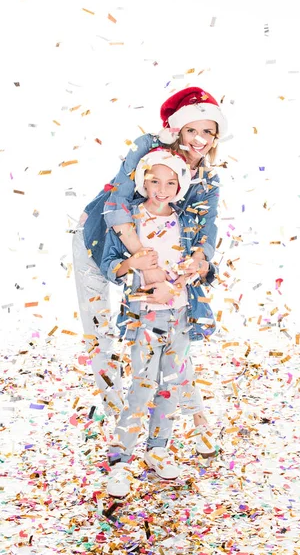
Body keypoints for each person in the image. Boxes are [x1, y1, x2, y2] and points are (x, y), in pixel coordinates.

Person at [72, 86, 228, 455]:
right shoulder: (150, 150)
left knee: (173, 335)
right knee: (101, 334)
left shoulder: (206, 179)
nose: (200, 140)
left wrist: (198, 261)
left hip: (152, 260)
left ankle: (197, 419)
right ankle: (120, 424)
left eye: (209, 132)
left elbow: (206, 231)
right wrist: (143, 263)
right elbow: (115, 204)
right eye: (192, 130)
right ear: (176, 130)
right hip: (100, 244)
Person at [100, 149, 218, 497]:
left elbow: (199, 267)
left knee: (171, 383)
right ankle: (120, 462)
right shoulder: (128, 221)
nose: (161, 189)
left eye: (170, 182)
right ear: (142, 180)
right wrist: (132, 261)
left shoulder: (187, 220)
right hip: (144, 316)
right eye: (153, 180)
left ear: (181, 185)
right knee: (142, 386)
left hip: (181, 313)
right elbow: (112, 265)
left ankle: (158, 449)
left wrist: (177, 284)